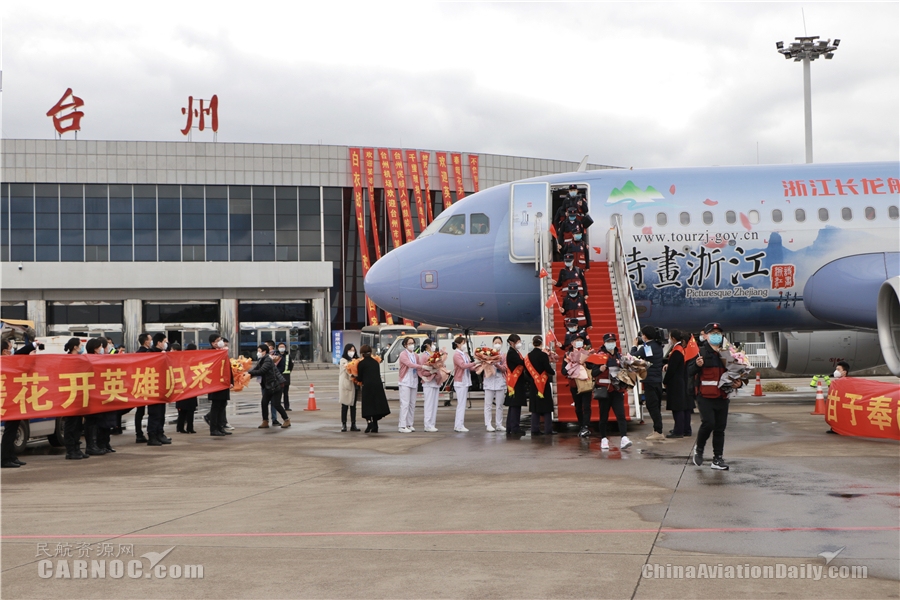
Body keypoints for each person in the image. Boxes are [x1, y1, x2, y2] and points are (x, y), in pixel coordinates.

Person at [689, 323, 736, 470]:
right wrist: (697, 365)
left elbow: (737, 373)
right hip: (705, 396)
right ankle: (699, 448)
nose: (716, 335)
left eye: (718, 332)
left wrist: (738, 383)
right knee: (708, 423)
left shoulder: (728, 353)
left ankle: (717, 459)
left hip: (722, 396)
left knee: (720, 428)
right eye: (713, 332)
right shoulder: (700, 352)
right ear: (706, 335)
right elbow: (689, 371)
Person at [591, 333, 632, 451]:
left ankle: (624, 437)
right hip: (604, 390)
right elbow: (593, 373)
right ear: (604, 343)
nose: (611, 343)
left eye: (613, 341)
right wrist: (600, 369)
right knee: (603, 416)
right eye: (609, 341)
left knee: (621, 414)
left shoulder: (619, 356)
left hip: (617, 389)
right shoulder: (600, 356)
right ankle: (603, 439)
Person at [2, 340, 33, 468]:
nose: (12, 351)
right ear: (4, 351)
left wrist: (33, 348)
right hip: (7, 402)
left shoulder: (9, 363)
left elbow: (20, 355)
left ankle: (11, 456)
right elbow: (19, 354)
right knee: (9, 431)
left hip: (14, 401)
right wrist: (33, 345)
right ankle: (4, 459)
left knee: (14, 429)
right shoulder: (4, 363)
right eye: (10, 348)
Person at [631, 325, 665, 440]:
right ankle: (656, 429)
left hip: (650, 380)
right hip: (658, 380)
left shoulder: (647, 347)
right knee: (657, 405)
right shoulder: (658, 345)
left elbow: (633, 357)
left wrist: (634, 346)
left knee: (652, 406)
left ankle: (658, 431)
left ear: (644, 336)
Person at [248, 344, 291, 429]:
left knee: (276, 404)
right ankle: (265, 421)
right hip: (269, 385)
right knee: (264, 403)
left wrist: (249, 373)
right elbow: (256, 369)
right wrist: (247, 373)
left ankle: (286, 420)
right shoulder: (262, 359)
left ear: (264, 351)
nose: (258, 353)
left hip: (276, 385)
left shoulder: (267, 360)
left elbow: (262, 371)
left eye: (259, 351)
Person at [62, 337, 90, 460]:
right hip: (69, 395)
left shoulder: (80, 359)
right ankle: (70, 450)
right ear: (75, 347)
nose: (81, 347)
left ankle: (77, 448)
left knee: (78, 424)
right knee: (70, 424)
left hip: (79, 394)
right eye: (80, 345)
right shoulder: (65, 360)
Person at [145, 333, 173, 446]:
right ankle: (152, 436)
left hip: (162, 387)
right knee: (154, 414)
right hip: (153, 388)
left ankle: (160, 434)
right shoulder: (150, 353)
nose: (166, 344)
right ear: (159, 343)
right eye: (165, 342)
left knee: (161, 413)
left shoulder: (163, 353)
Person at [525, 335, 555, 436]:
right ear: (541, 343)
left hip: (534, 383)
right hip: (544, 382)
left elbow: (527, 372)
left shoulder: (528, 356)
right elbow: (548, 368)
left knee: (535, 407)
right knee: (546, 407)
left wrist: (533, 378)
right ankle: (548, 429)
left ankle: (535, 429)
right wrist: (552, 372)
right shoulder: (543, 355)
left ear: (533, 343)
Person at [663, 330, 691, 438]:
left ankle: (678, 431)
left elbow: (672, 370)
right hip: (682, 381)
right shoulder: (682, 349)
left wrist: (665, 381)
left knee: (677, 408)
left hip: (676, 383)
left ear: (673, 338)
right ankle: (685, 429)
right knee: (684, 407)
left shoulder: (676, 351)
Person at [357, 345, 390, 432]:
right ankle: (375, 425)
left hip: (367, 386)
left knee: (367, 406)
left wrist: (354, 376)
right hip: (377, 386)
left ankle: (369, 422)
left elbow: (360, 378)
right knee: (375, 405)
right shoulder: (375, 363)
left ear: (362, 354)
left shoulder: (361, 364)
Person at [566, 333, 593, 437]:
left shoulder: (587, 353)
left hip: (586, 382)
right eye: (577, 340)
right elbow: (563, 370)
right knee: (578, 406)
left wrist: (585, 364)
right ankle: (581, 425)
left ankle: (586, 426)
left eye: (581, 340)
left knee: (587, 406)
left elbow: (592, 367)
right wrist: (571, 367)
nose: (579, 342)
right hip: (574, 384)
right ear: (572, 343)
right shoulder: (568, 354)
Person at [397, 337, 426, 433]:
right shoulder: (403, 354)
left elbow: (418, 369)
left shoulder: (415, 355)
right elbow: (409, 364)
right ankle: (402, 425)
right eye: (409, 343)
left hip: (413, 381)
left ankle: (409, 424)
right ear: (405, 345)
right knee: (405, 404)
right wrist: (421, 366)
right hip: (405, 381)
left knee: (412, 404)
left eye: (413, 343)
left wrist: (423, 377)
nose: (412, 345)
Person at [452, 336, 479, 432]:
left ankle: (459, 424)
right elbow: (463, 365)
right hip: (460, 382)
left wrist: (478, 365)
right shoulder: (456, 355)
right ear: (458, 344)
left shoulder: (465, 354)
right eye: (463, 343)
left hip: (466, 381)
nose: (464, 345)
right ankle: (459, 425)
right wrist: (473, 363)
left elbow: (470, 368)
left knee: (463, 404)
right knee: (461, 404)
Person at [481, 336, 508, 432]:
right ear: (492, 343)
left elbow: (505, 368)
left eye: (499, 343)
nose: (497, 344)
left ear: (502, 344)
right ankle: (488, 424)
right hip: (489, 380)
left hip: (500, 381)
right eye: (496, 342)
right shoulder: (487, 354)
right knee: (488, 404)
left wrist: (496, 363)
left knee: (499, 405)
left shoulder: (503, 355)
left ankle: (499, 424)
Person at [207, 334, 232, 437]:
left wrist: (231, 382)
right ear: (213, 343)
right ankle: (214, 429)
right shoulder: (210, 354)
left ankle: (221, 427)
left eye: (220, 339)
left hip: (224, 384)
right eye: (218, 340)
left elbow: (228, 368)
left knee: (222, 406)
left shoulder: (223, 353)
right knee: (215, 407)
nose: (220, 341)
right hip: (215, 385)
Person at [418, 339, 445, 432]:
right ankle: (427, 424)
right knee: (429, 404)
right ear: (428, 345)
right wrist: (430, 371)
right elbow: (421, 370)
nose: (433, 345)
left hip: (435, 382)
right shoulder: (424, 356)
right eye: (432, 344)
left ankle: (432, 424)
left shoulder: (434, 355)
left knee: (434, 404)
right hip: (428, 382)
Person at [504, 334, 528, 436]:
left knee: (514, 405)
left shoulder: (515, 352)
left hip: (517, 381)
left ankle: (510, 426)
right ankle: (515, 427)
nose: (519, 344)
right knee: (515, 405)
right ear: (511, 343)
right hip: (515, 382)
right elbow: (521, 363)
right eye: (517, 342)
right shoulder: (512, 353)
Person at [133, 332, 153, 443]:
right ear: (146, 341)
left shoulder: (138, 353)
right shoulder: (147, 353)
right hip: (147, 383)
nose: (151, 341)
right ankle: (142, 434)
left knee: (140, 411)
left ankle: (139, 433)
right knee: (145, 411)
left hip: (140, 383)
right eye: (150, 339)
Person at [176, 343, 199, 434]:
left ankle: (181, 427)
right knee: (190, 410)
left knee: (183, 410)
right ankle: (189, 427)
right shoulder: (191, 359)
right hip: (190, 386)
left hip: (183, 386)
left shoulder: (181, 358)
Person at [338, 344, 361, 432]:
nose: (352, 352)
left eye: (353, 350)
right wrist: (356, 375)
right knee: (344, 405)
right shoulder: (343, 360)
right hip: (346, 385)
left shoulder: (356, 360)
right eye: (350, 350)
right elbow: (349, 370)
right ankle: (344, 424)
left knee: (353, 406)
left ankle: (353, 424)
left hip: (354, 385)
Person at [278, 342, 294, 411]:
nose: (282, 348)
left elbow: (291, 365)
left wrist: (288, 371)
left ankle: (286, 406)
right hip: (278, 376)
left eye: (283, 346)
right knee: (278, 393)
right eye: (280, 346)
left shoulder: (288, 355)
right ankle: (278, 406)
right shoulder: (276, 355)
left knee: (286, 393)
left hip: (286, 376)